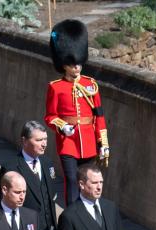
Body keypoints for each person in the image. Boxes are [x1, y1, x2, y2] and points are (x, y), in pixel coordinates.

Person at [44, 19, 109, 207]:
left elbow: (99, 116)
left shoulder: (91, 85)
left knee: (89, 180)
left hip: (88, 142)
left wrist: (103, 143)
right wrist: (62, 127)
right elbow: (50, 116)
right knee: (72, 180)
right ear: (64, 64)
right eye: (73, 64)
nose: (77, 67)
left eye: (78, 64)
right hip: (68, 143)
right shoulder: (55, 88)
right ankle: (72, 213)